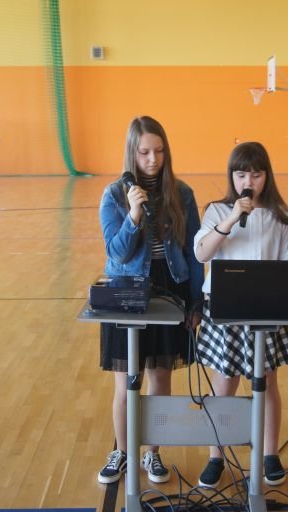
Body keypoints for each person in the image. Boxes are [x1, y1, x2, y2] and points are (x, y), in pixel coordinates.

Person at [97, 116, 204, 485]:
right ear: (132, 152)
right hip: (126, 289)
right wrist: (133, 214)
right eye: (144, 152)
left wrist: (196, 303)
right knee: (127, 381)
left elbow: (193, 253)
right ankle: (123, 451)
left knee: (160, 378)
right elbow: (118, 252)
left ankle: (152, 453)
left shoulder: (182, 193)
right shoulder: (113, 195)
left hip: (170, 288)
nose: (153, 160)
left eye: (159, 151)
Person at [193, 141, 288, 488]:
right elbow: (202, 254)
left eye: (256, 174)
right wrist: (232, 218)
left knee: (266, 382)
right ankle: (216, 455)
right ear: (232, 177)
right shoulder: (216, 211)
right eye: (241, 175)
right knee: (224, 383)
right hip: (225, 307)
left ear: (267, 176)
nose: (248, 182)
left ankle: (270, 453)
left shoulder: (280, 217)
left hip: (265, 308)